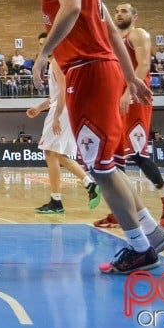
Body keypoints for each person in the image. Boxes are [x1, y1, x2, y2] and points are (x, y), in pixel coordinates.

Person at [32, 0, 164, 275]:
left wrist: (44, 53)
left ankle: (140, 247)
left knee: (102, 169)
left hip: (88, 70)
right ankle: (150, 231)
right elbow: (110, 33)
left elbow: (72, 9)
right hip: (103, 69)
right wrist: (130, 77)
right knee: (107, 164)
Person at [95, 3, 164, 229]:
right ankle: (120, 211)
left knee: (137, 153)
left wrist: (128, 91)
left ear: (135, 16)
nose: (118, 14)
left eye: (124, 11)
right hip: (118, 99)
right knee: (116, 159)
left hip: (135, 97)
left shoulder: (138, 34)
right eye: (117, 11)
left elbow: (144, 64)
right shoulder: (113, 39)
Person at [26, 34, 99, 214]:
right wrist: (39, 108)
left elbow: (66, 91)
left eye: (46, 43)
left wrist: (57, 115)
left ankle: (67, 194)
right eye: (41, 44)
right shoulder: (54, 63)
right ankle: (82, 187)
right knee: (55, 154)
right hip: (63, 110)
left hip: (62, 112)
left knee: (51, 153)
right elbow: (55, 96)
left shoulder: (58, 62)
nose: (44, 47)